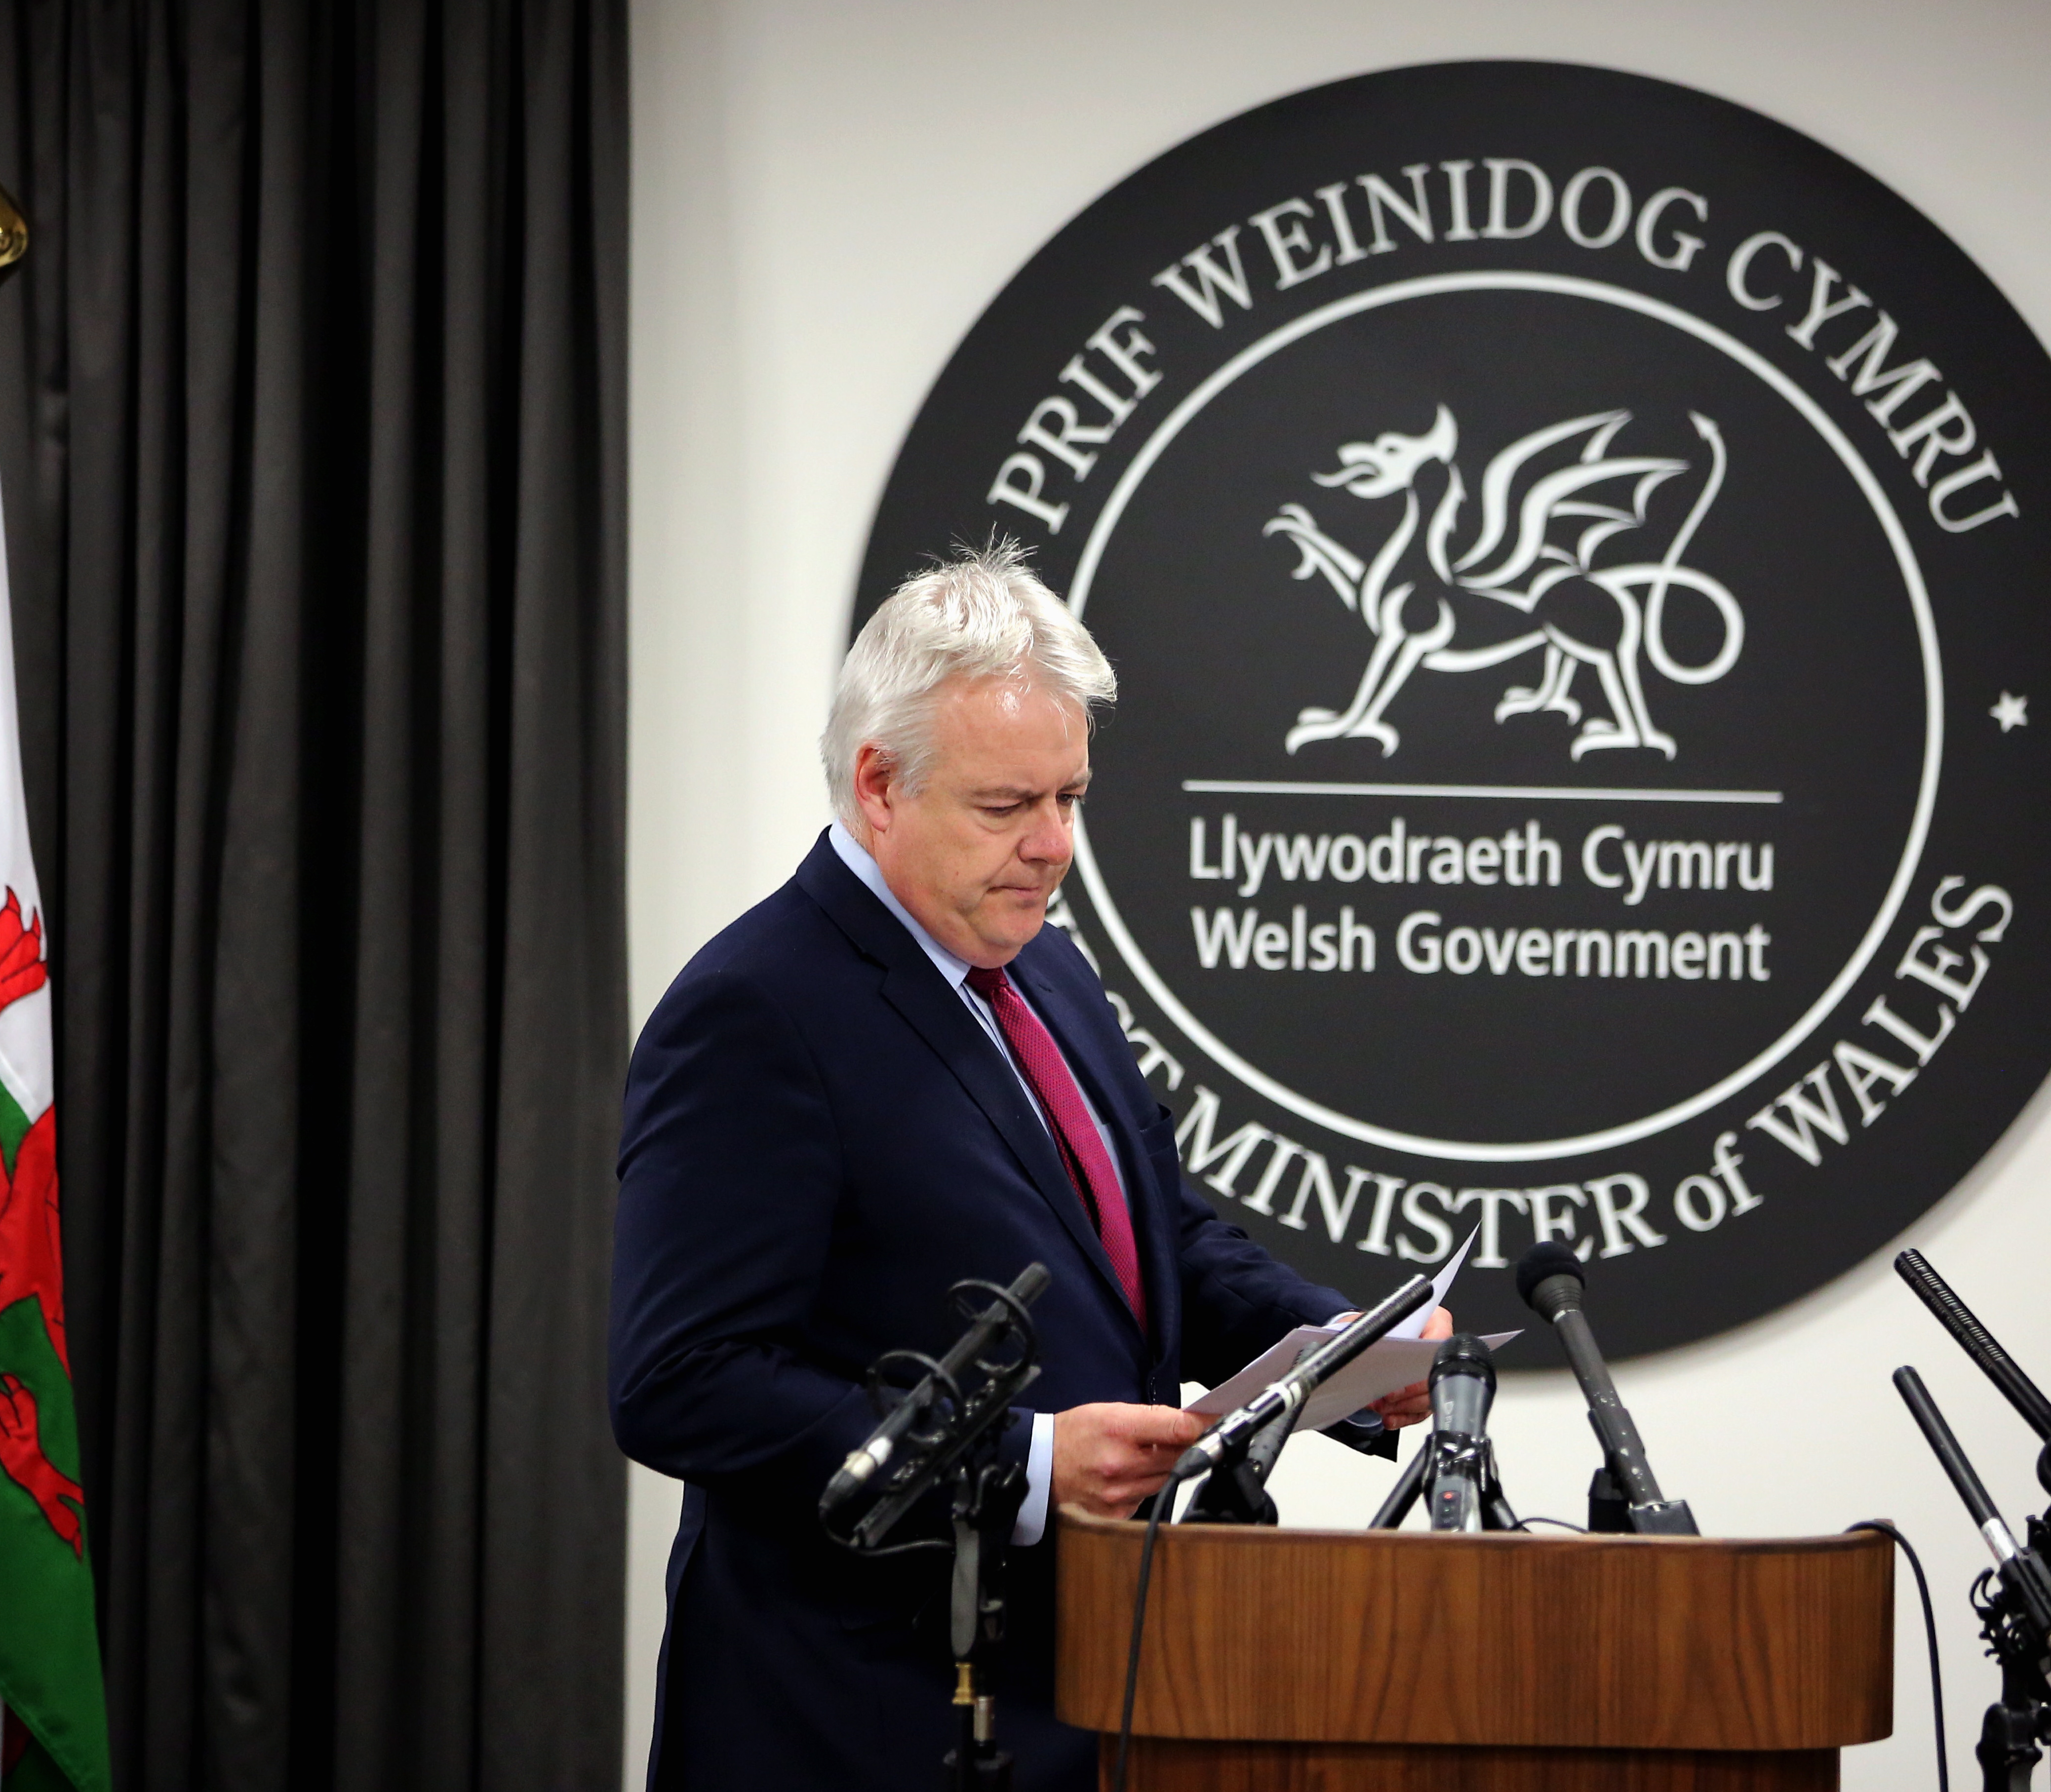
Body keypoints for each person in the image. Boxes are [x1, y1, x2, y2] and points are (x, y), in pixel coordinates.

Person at [609, 544, 1450, 1790]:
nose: (1054, 847)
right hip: (855, 1725)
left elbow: (1148, 1233)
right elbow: (685, 1382)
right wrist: (1028, 1463)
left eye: (1071, 799)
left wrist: (1332, 1347)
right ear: (880, 785)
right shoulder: (755, 1008)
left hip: (1086, 1692)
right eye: (1009, 807)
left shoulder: (1039, 965)